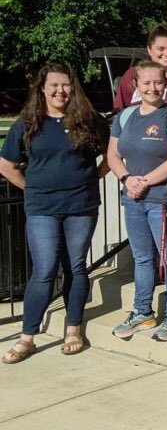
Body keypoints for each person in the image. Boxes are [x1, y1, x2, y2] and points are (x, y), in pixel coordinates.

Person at [1, 64, 108, 364]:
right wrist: (30, 188)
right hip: (42, 209)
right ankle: (27, 338)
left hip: (81, 208)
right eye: (54, 85)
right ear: (42, 88)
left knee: (75, 265)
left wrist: (91, 179)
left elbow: (112, 155)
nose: (61, 91)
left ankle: (73, 329)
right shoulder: (27, 124)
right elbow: (6, 165)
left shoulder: (88, 121)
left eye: (66, 85)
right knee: (44, 269)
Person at [107, 61, 167, 342]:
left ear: (165, 83)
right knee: (142, 258)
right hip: (133, 200)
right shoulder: (126, 116)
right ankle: (143, 311)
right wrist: (127, 178)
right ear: (136, 86)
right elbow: (113, 156)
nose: (153, 88)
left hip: (161, 200)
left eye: (158, 82)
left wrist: (144, 181)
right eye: (146, 83)